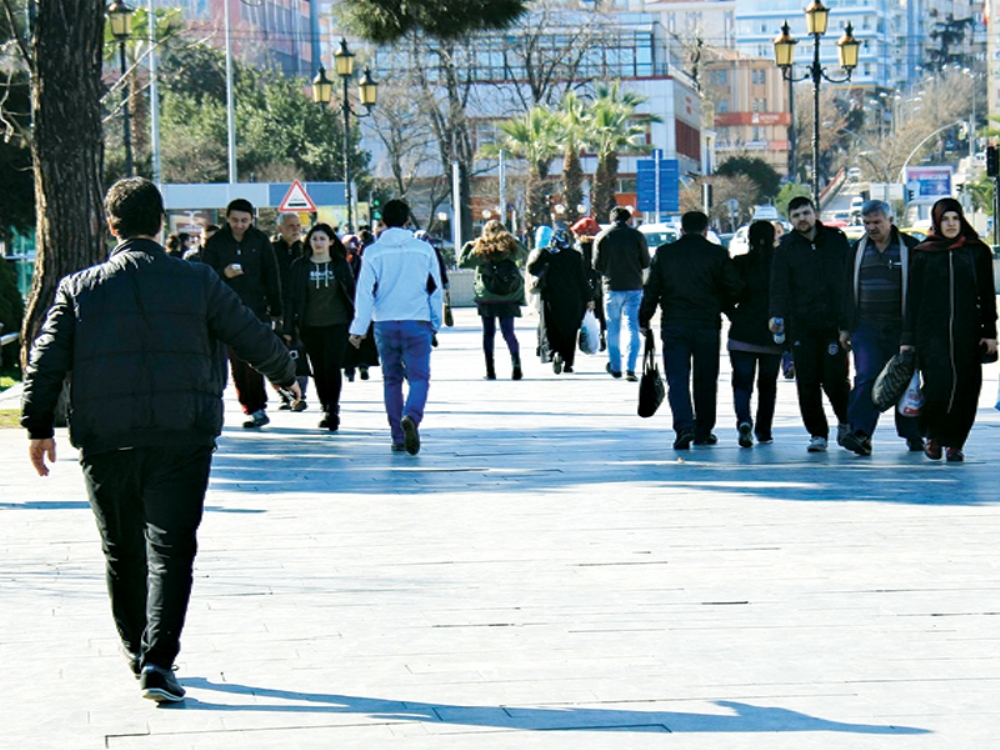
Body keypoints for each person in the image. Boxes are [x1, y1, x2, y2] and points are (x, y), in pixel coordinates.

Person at [19, 177, 298, 703]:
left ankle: (137, 651)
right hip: (182, 433)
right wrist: (285, 374)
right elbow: (248, 331)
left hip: (107, 440)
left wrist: (38, 427)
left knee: (121, 551)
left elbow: (46, 358)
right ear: (160, 222)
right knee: (172, 549)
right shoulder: (198, 281)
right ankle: (158, 660)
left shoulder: (80, 288)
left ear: (111, 226)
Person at [901, 198, 998, 462]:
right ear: (937, 222)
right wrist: (907, 338)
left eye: (955, 218)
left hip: (968, 331)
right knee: (938, 385)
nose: (951, 224)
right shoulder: (923, 253)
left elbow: (987, 294)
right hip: (931, 333)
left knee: (967, 386)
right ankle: (933, 436)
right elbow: (912, 298)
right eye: (945, 219)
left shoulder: (977, 252)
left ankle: (955, 443)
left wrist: (989, 332)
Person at [640, 211, 740, 449]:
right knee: (706, 379)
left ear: (681, 230)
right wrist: (723, 305)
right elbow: (734, 287)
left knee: (677, 378)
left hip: (674, 323)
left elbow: (652, 288)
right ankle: (704, 430)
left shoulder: (665, 253)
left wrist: (644, 318)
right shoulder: (717, 253)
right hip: (707, 324)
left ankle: (684, 427)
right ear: (706, 230)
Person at [349, 199, 443, 455]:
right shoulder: (424, 250)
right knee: (419, 378)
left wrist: (359, 328)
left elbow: (364, 292)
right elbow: (435, 289)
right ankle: (411, 415)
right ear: (407, 221)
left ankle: (397, 436)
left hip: (384, 322)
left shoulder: (373, 252)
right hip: (417, 320)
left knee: (391, 379)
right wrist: (435, 322)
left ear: (382, 222)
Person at [838, 200, 924, 456]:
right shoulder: (858, 250)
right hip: (866, 327)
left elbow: (919, 292)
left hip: (901, 328)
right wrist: (845, 327)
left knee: (903, 380)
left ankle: (913, 433)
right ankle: (860, 433)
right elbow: (847, 289)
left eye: (877, 222)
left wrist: (913, 333)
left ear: (891, 221)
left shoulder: (910, 248)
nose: (871, 228)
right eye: (867, 223)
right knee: (866, 376)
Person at [769, 196, 851, 453]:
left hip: (833, 324)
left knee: (835, 379)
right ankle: (817, 433)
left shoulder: (836, 241)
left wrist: (848, 322)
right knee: (807, 382)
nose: (802, 219)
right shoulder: (785, 248)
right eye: (796, 215)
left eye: (806, 213)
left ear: (815, 214)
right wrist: (776, 316)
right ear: (790, 220)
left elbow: (848, 282)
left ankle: (847, 422)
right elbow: (778, 286)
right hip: (801, 325)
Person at [203, 199, 283, 428]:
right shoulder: (216, 242)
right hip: (225, 310)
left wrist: (277, 309)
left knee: (254, 359)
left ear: (251, 220)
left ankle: (258, 406)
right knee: (237, 363)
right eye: (235, 220)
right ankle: (249, 406)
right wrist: (224, 274)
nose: (239, 225)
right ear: (227, 219)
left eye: (244, 221)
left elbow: (272, 275)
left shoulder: (260, 241)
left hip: (255, 309)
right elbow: (205, 274)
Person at [284, 223, 355, 432]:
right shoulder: (300, 266)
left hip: (337, 324)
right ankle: (325, 406)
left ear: (331, 241)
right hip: (310, 325)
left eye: (322, 239)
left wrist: (358, 323)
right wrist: (288, 327)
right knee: (318, 368)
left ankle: (333, 409)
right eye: (314, 239)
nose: (318, 243)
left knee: (332, 367)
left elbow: (351, 292)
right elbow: (290, 298)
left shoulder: (340, 264)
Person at [728, 221, 784, 447]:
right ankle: (764, 430)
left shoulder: (740, 263)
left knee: (742, 383)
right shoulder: (780, 263)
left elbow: (728, 293)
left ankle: (744, 420)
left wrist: (733, 314)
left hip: (742, 331)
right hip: (772, 332)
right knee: (768, 385)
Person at [457, 220, 526, 380]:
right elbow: (526, 255)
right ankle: (516, 364)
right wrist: (515, 241)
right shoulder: (510, 247)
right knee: (508, 332)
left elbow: (463, 263)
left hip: (487, 295)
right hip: (509, 295)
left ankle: (490, 370)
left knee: (488, 333)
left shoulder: (481, 247)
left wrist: (468, 246)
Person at [594, 206, 650, 381]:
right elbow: (645, 262)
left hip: (611, 286)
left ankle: (615, 366)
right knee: (632, 326)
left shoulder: (602, 236)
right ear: (629, 219)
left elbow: (596, 264)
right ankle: (630, 368)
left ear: (611, 219)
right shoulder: (637, 236)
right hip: (634, 286)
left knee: (613, 328)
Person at [527, 227, 593, 374]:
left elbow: (532, 269)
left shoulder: (546, 253)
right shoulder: (575, 255)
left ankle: (554, 352)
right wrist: (588, 298)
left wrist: (543, 258)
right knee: (570, 330)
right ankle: (568, 362)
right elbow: (582, 278)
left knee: (551, 328)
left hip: (551, 298)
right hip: (573, 299)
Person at [271, 212, 310, 410]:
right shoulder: (271, 251)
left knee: (299, 352)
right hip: (277, 309)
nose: (295, 230)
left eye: (298, 225)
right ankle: (284, 394)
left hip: (302, 309)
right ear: (280, 229)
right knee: (278, 354)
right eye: (290, 226)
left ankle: (299, 395)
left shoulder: (305, 250)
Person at [571, 216, 607, 351]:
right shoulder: (601, 245)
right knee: (599, 311)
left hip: (585, 283)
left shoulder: (580, 247)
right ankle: (601, 335)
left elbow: (581, 267)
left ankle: (586, 338)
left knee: (583, 312)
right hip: (599, 282)